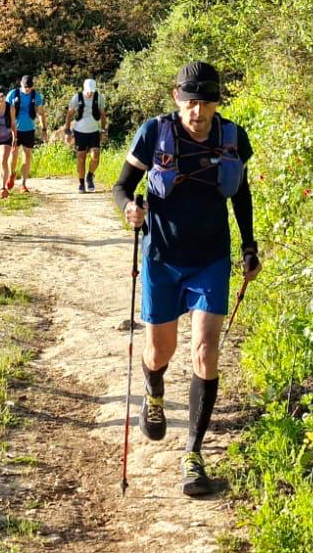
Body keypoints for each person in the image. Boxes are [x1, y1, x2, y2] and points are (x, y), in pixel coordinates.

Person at [111, 60, 261, 497]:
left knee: (205, 351)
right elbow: (122, 186)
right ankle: (153, 392)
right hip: (162, 257)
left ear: (217, 102)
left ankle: (193, 454)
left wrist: (249, 245)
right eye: (191, 102)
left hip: (211, 259)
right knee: (160, 351)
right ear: (177, 98)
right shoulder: (154, 133)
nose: (198, 112)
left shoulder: (232, 137)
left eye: (206, 103)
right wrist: (129, 208)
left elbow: (242, 194)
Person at [64, 76, 106, 193]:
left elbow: (103, 115)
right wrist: (67, 131)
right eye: (88, 91)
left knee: (95, 157)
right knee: (81, 158)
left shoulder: (99, 97)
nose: (89, 93)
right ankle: (81, 183)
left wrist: (103, 130)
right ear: (84, 88)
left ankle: (90, 176)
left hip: (94, 131)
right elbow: (69, 114)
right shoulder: (77, 97)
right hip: (80, 132)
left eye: (91, 91)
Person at [4, 74, 42, 193]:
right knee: (13, 155)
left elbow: (41, 113)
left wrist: (44, 128)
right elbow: (6, 112)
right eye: (25, 87)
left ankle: (23, 184)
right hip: (14, 130)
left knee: (27, 156)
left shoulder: (36, 96)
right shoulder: (13, 94)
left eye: (29, 87)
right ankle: (11, 174)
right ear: (21, 84)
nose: (27, 89)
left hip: (29, 130)